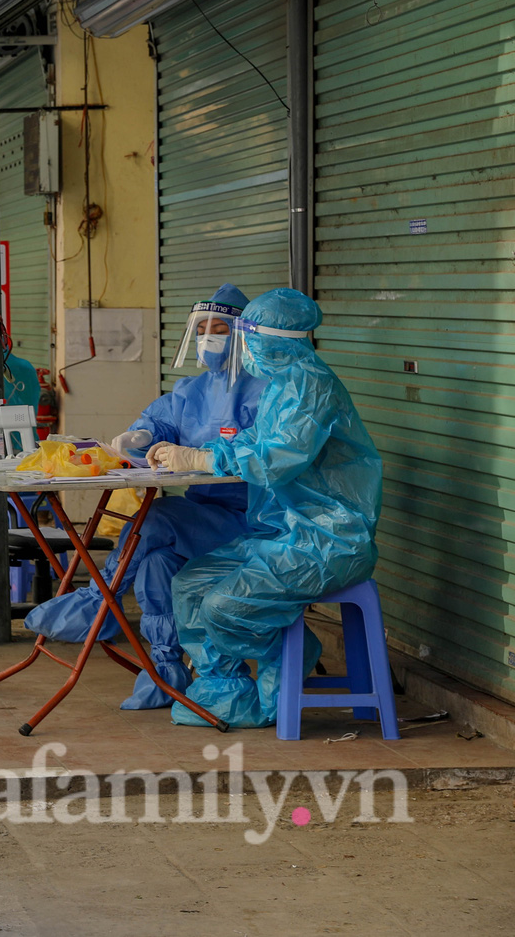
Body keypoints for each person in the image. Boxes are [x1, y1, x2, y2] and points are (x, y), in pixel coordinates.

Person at [23, 283, 265, 708]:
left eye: (220, 329)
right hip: (205, 517)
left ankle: (100, 604)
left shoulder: (265, 391)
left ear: (242, 334)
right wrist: (143, 435)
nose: (209, 337)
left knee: (156, 518)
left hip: (254, 521)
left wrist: (199, 458)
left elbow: (263, 453)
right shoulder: (192, 390)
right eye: (202, 328)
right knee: (154, 563)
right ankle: (164, 673)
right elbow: (162, 422)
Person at [152, 288, 383, 729]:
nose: (244, 347)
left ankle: (291, 660)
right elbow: (253, 441)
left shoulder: (310, 387)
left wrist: (204, 460)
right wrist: (195, 449)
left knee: (224, 606)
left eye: (248, 336)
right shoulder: (281, 385)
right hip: (285, 533)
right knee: (191, 585)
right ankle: (223, 691)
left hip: (330, 540)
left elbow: (276, 459)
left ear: (273, 341)